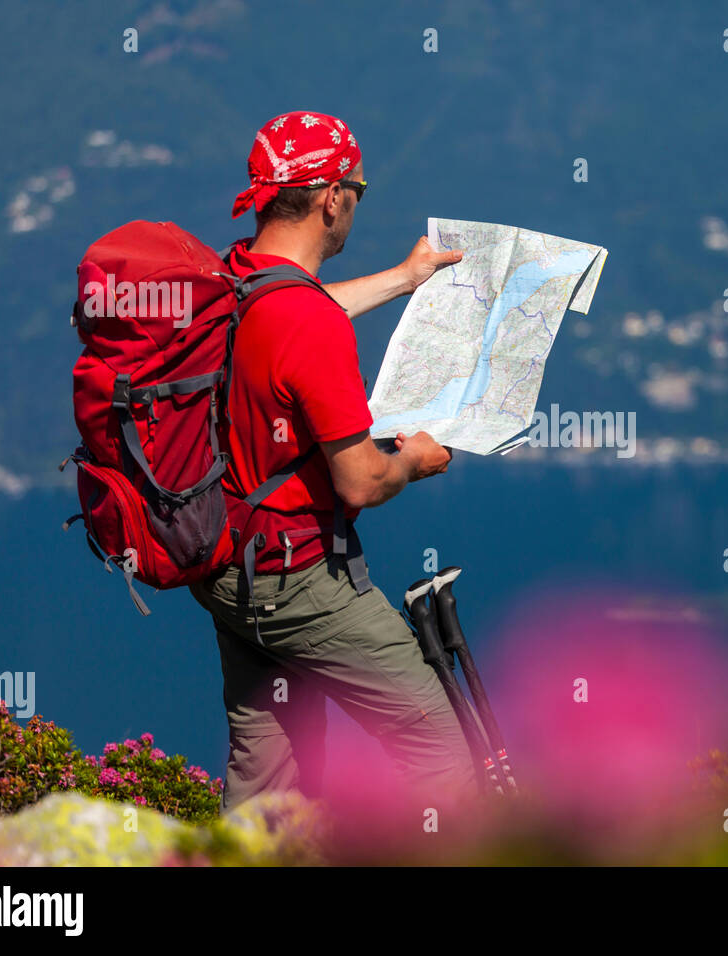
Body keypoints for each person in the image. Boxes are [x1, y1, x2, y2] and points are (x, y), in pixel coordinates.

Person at [189, 110, 474, 812]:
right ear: (330, 198)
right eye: (359, 188)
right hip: (299, 580)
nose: (356, 201)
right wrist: (415, 460)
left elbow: (295, 312)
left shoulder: (236, 277)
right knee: (442, 754)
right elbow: (361, 479)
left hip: (228, 568)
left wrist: (406, 280)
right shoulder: (309, 324)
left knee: (268, 777)